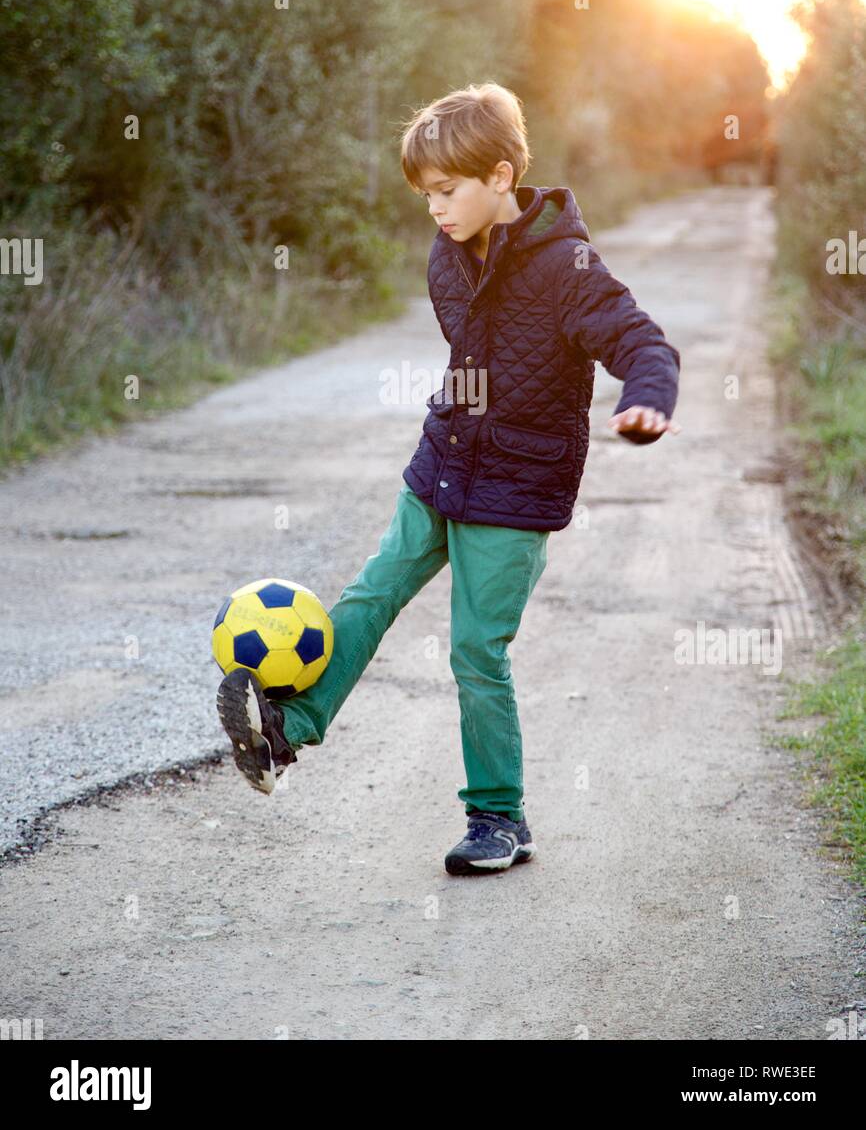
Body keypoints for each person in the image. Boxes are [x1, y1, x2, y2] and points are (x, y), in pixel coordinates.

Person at [216, 81, 681, 876]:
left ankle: (499, 817)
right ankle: (288, 730)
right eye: (424, 194)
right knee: (371, 591)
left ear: (501, 177)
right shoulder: (446, 254)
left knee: (475, 649)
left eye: (447, 189)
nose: (433, 208)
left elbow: (641, 340)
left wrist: (646, 399)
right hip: (443, 464)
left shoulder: (569, 265)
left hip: (517, 489)